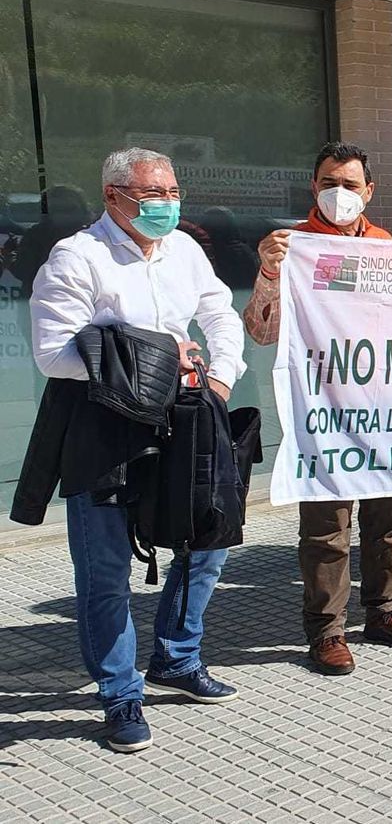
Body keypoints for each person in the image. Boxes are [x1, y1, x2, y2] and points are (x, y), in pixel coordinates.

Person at [29, 147, 245, 751]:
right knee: (105, 571)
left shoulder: (186, 251)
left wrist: (222, 377)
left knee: (208, 538)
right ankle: (120, 694)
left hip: (185, 420)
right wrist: (157, 356)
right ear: (113, 198)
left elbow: (220, 314)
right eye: (152, 195)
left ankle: (178, 655)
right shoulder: (78, 258)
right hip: (106, 428)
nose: (167, 205)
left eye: (173, 192)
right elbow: (55, 353)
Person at [246, 142, 392, 674]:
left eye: (351, 185)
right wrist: (268, 274)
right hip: (325, 409)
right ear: (313, 186)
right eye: (331, 181)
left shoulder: (386, 246)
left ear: (369, 192)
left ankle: (383, 610)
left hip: (386, 405)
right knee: (327, 525)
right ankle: (327, 631)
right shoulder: (292, 249)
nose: (340, 193)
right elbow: (260, 332)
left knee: (390, 515)